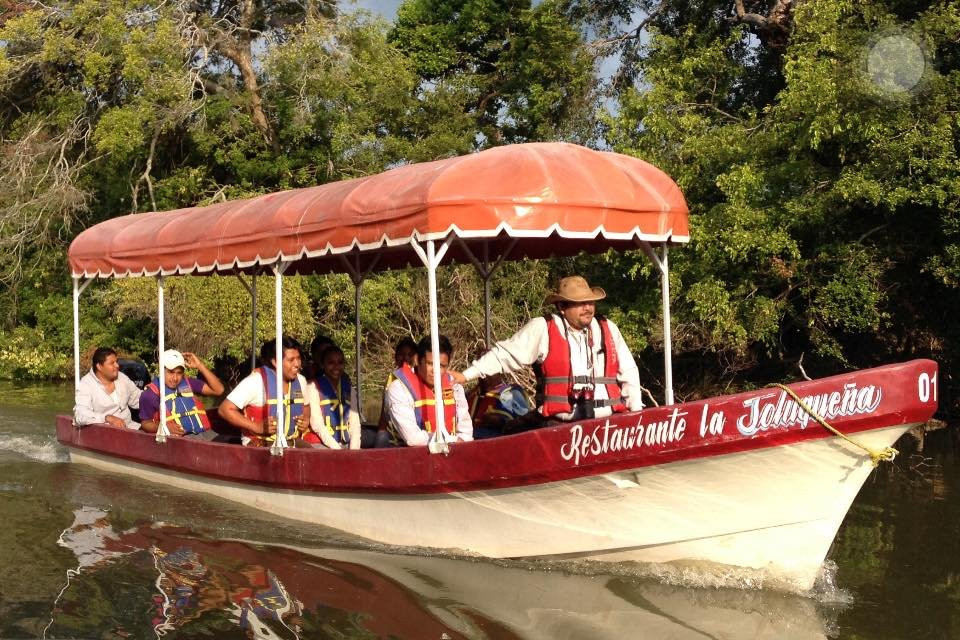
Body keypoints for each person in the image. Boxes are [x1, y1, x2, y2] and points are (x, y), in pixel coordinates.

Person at [450, 276, 643, 424]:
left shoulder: (608, 328)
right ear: (561, 306)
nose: (587, 308)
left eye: (590, 302)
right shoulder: (543, 328)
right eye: (579, 303)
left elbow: (629, 372)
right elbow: (505, 355)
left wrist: (636, 415)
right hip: (560, 427)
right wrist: (465, 375)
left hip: (607, 425)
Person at [218, 337, 311, 447]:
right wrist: (256, 426)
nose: (297, 364)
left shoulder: (301, 380)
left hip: (291, 442)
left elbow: (306, 406)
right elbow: (224, 409)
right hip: (260, 444)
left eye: (298, 358)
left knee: (317, 460)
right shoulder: (256, 381)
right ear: (275, 362)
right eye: (291, 360)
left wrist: (306, 420)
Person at [384, 335, 473, 447]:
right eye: (430, 364)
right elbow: (413, 438)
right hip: (411, 458)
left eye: (442, 366)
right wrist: (451, 440)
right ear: (417, 360)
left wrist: (458, 443)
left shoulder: (455, 386)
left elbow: (466, 432)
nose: (435, 371)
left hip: (453, 455)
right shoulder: (399, 387)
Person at [139, 349, 225, 440]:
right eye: (171, 372)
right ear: (161, 370)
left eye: (179, 373)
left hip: (205, 433)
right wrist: (164, 427)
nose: (175, 378)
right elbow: (145, 424)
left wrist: (200, 366)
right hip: (180, 441)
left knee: (228, 444)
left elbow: (219, 390)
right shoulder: (149, 394)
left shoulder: (188, 383)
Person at [304, 345, 361, 449]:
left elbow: (355, 422)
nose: (336, 367)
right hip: (320, 442)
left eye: (340, 362)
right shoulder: (312, 387)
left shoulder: (349, 388)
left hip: (343, 443)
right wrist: (336, 450)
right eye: (331, 363)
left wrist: (354, 451)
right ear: (323, 365)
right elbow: (317, 424)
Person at [74, 347, 143, 429]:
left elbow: (138, 399)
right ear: (99, 366)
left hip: (130, 428)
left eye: (116, 362)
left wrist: (154, 395)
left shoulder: (122, 377)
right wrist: (106, 418)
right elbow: (80, 414)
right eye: (112, 363)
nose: (117, 365)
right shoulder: (86, 384)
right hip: (104, 433)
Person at [374, 337, 418, 446]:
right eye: (401, 354)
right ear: (395, 357)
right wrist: (381, 432)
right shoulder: (391, 379)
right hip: (392, 435)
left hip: (416, 434)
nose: (405, 358)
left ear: (417, 357)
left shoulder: (420, 379)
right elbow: (384, 411)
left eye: (410, 354)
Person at [467, 373, 531, 438]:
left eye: (488, 373)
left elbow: (522, 423)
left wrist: (500, 421)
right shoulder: (470, 395)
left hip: (501, 439)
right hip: (470, 439)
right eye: (481, 374)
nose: (485, 378)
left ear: (499, 373)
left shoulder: (512, 391)